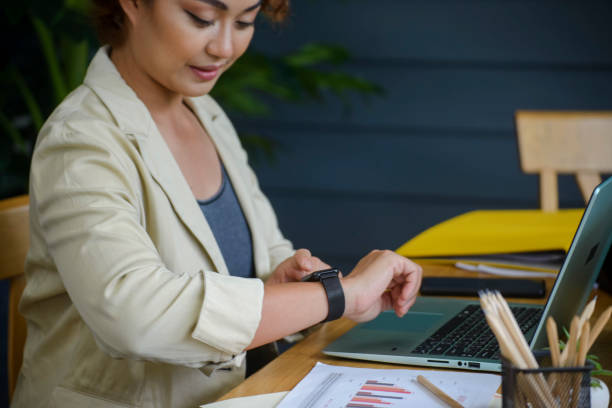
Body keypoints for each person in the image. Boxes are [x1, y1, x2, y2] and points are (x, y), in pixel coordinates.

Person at [11, 0, 423, 406]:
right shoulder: (80, 139)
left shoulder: (205, 112)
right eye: (201, 18)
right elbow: (133, 314)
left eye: (245, 21)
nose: (224, 48)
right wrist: (341, 296)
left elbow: (271, 253)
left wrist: (317, 292)